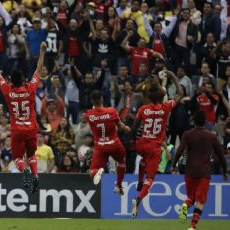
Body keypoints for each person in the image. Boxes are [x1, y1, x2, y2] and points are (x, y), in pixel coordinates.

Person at [0, 42, 46, 193]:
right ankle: (35, 175)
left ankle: (24, 171)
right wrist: (42, 51)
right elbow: (39, 71)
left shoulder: (8, 91)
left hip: (17, 129)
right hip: (32, 128)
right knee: (32, 154)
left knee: (18, 158)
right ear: (23, 80)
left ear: (11, 81)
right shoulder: (30, 88)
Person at [131, 70, 183, 218]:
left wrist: (134, 142)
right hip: (154, 147)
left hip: (142, 144)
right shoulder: (166, 108)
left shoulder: (143, 109)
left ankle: (139, 181)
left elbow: (134, 128)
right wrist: (173, 77)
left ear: (148, 96)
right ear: (162, 97)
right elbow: (179, 94)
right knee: (151, 178)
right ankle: (138, 199)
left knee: (142, 160)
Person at [171, 111, 228, 230]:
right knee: (200, 201)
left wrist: (173, 164)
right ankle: (192, 226)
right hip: (204, 173)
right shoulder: (211, 136)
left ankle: (185, 205)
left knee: (190, 198)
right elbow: (221, 154)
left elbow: (180, 150)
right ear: (205, 122)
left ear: (194, 122)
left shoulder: (187, 134)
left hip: (190, 171)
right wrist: (225, 171)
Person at [84, 90, 131, 195]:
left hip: (100, 147)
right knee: (122, 161)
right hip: (114, 144)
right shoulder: (111, 111)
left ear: (92, 101)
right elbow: (120, 126)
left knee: (92, 173)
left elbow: (91, 113)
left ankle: (99, 171)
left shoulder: (89, 115)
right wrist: (126, 128)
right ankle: (118, 185)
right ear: (102, 99)